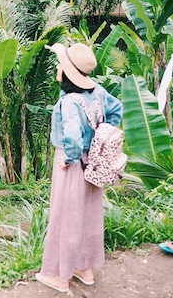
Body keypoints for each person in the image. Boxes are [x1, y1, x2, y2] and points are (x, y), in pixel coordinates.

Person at [36, 43, 123, 294]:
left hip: (72, 164)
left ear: (67, 71)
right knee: (88, 214)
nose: (56, 66)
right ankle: (85, 270)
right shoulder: (97, 91)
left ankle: (58, 276)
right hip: (93, 163)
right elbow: (116, 109)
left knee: (66, 215)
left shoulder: (69, 102)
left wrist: (70, 157)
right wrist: (100, 135)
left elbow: (72, 137)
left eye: (59, 64)